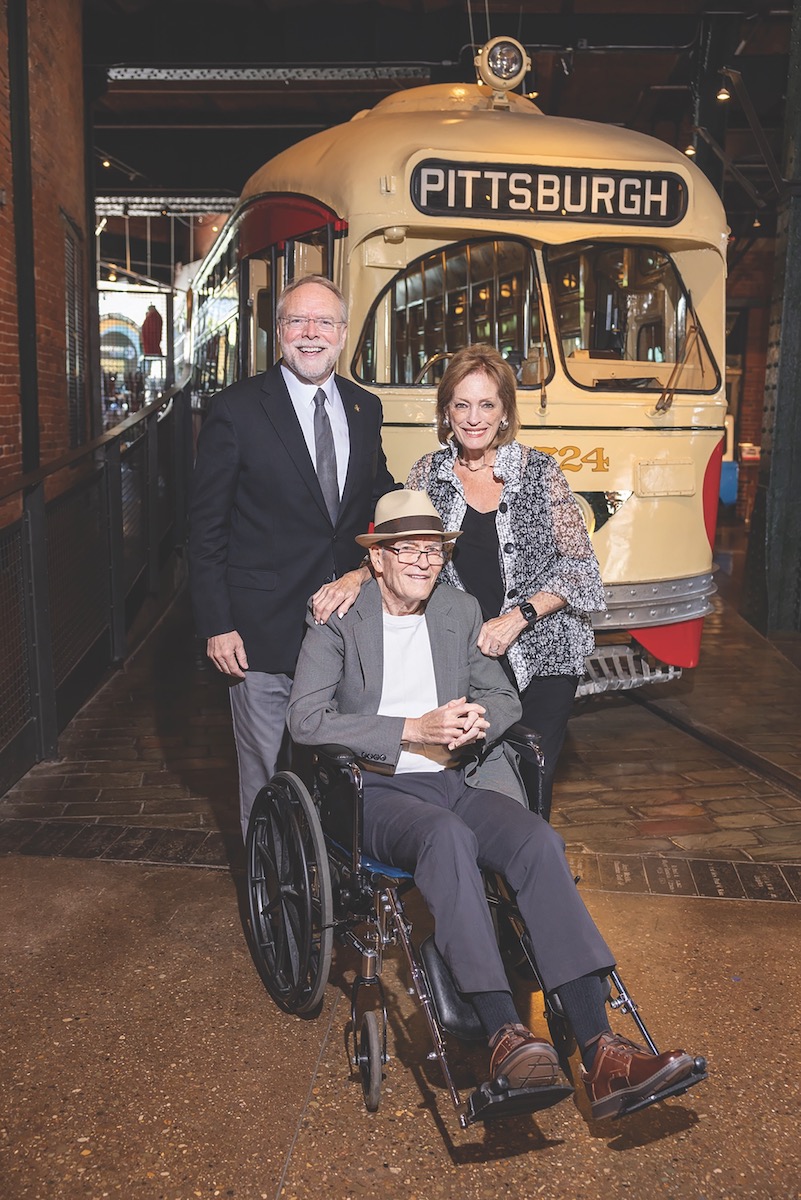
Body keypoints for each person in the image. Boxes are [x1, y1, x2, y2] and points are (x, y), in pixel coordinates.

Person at [288, 490, 695, 1119]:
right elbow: (306, 719)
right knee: (445, 838)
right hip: (377, 790)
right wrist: (409, 729)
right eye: (408, 550)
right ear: (379, 558)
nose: (423, 562)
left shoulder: (456, 608)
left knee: (537, 841)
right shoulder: (341, 618)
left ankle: (603, 1052)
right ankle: (505, 1033)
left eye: (433, 549)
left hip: (459, 779)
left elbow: (503, 696)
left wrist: (479, 718)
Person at [188, 275, 396, 839]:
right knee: (264, 776)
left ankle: (326, 884)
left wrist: (431, 504)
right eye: (297, 322)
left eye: (324, 322)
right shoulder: (235, 410)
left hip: (344, 628)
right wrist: (218, 624)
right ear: (278, 332)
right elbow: (205, 529)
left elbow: (377, 494)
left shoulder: (364, 407)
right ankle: (272, 901)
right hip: (261, 634)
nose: (311, 334)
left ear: (344, 334)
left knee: (341, 768)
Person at [405, 344, 606, 821]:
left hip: (544, 652)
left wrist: (519, 618)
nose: (474, 418)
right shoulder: (426, 476)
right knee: (473, 774)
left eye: (487, 404)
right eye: (462, 404)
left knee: (531, 770)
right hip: (468, 658)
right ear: (446, 411)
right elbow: (406, 562)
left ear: (504, 413)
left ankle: (526, 876)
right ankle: (482, 878)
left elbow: (583, 569)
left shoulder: (540, 474)